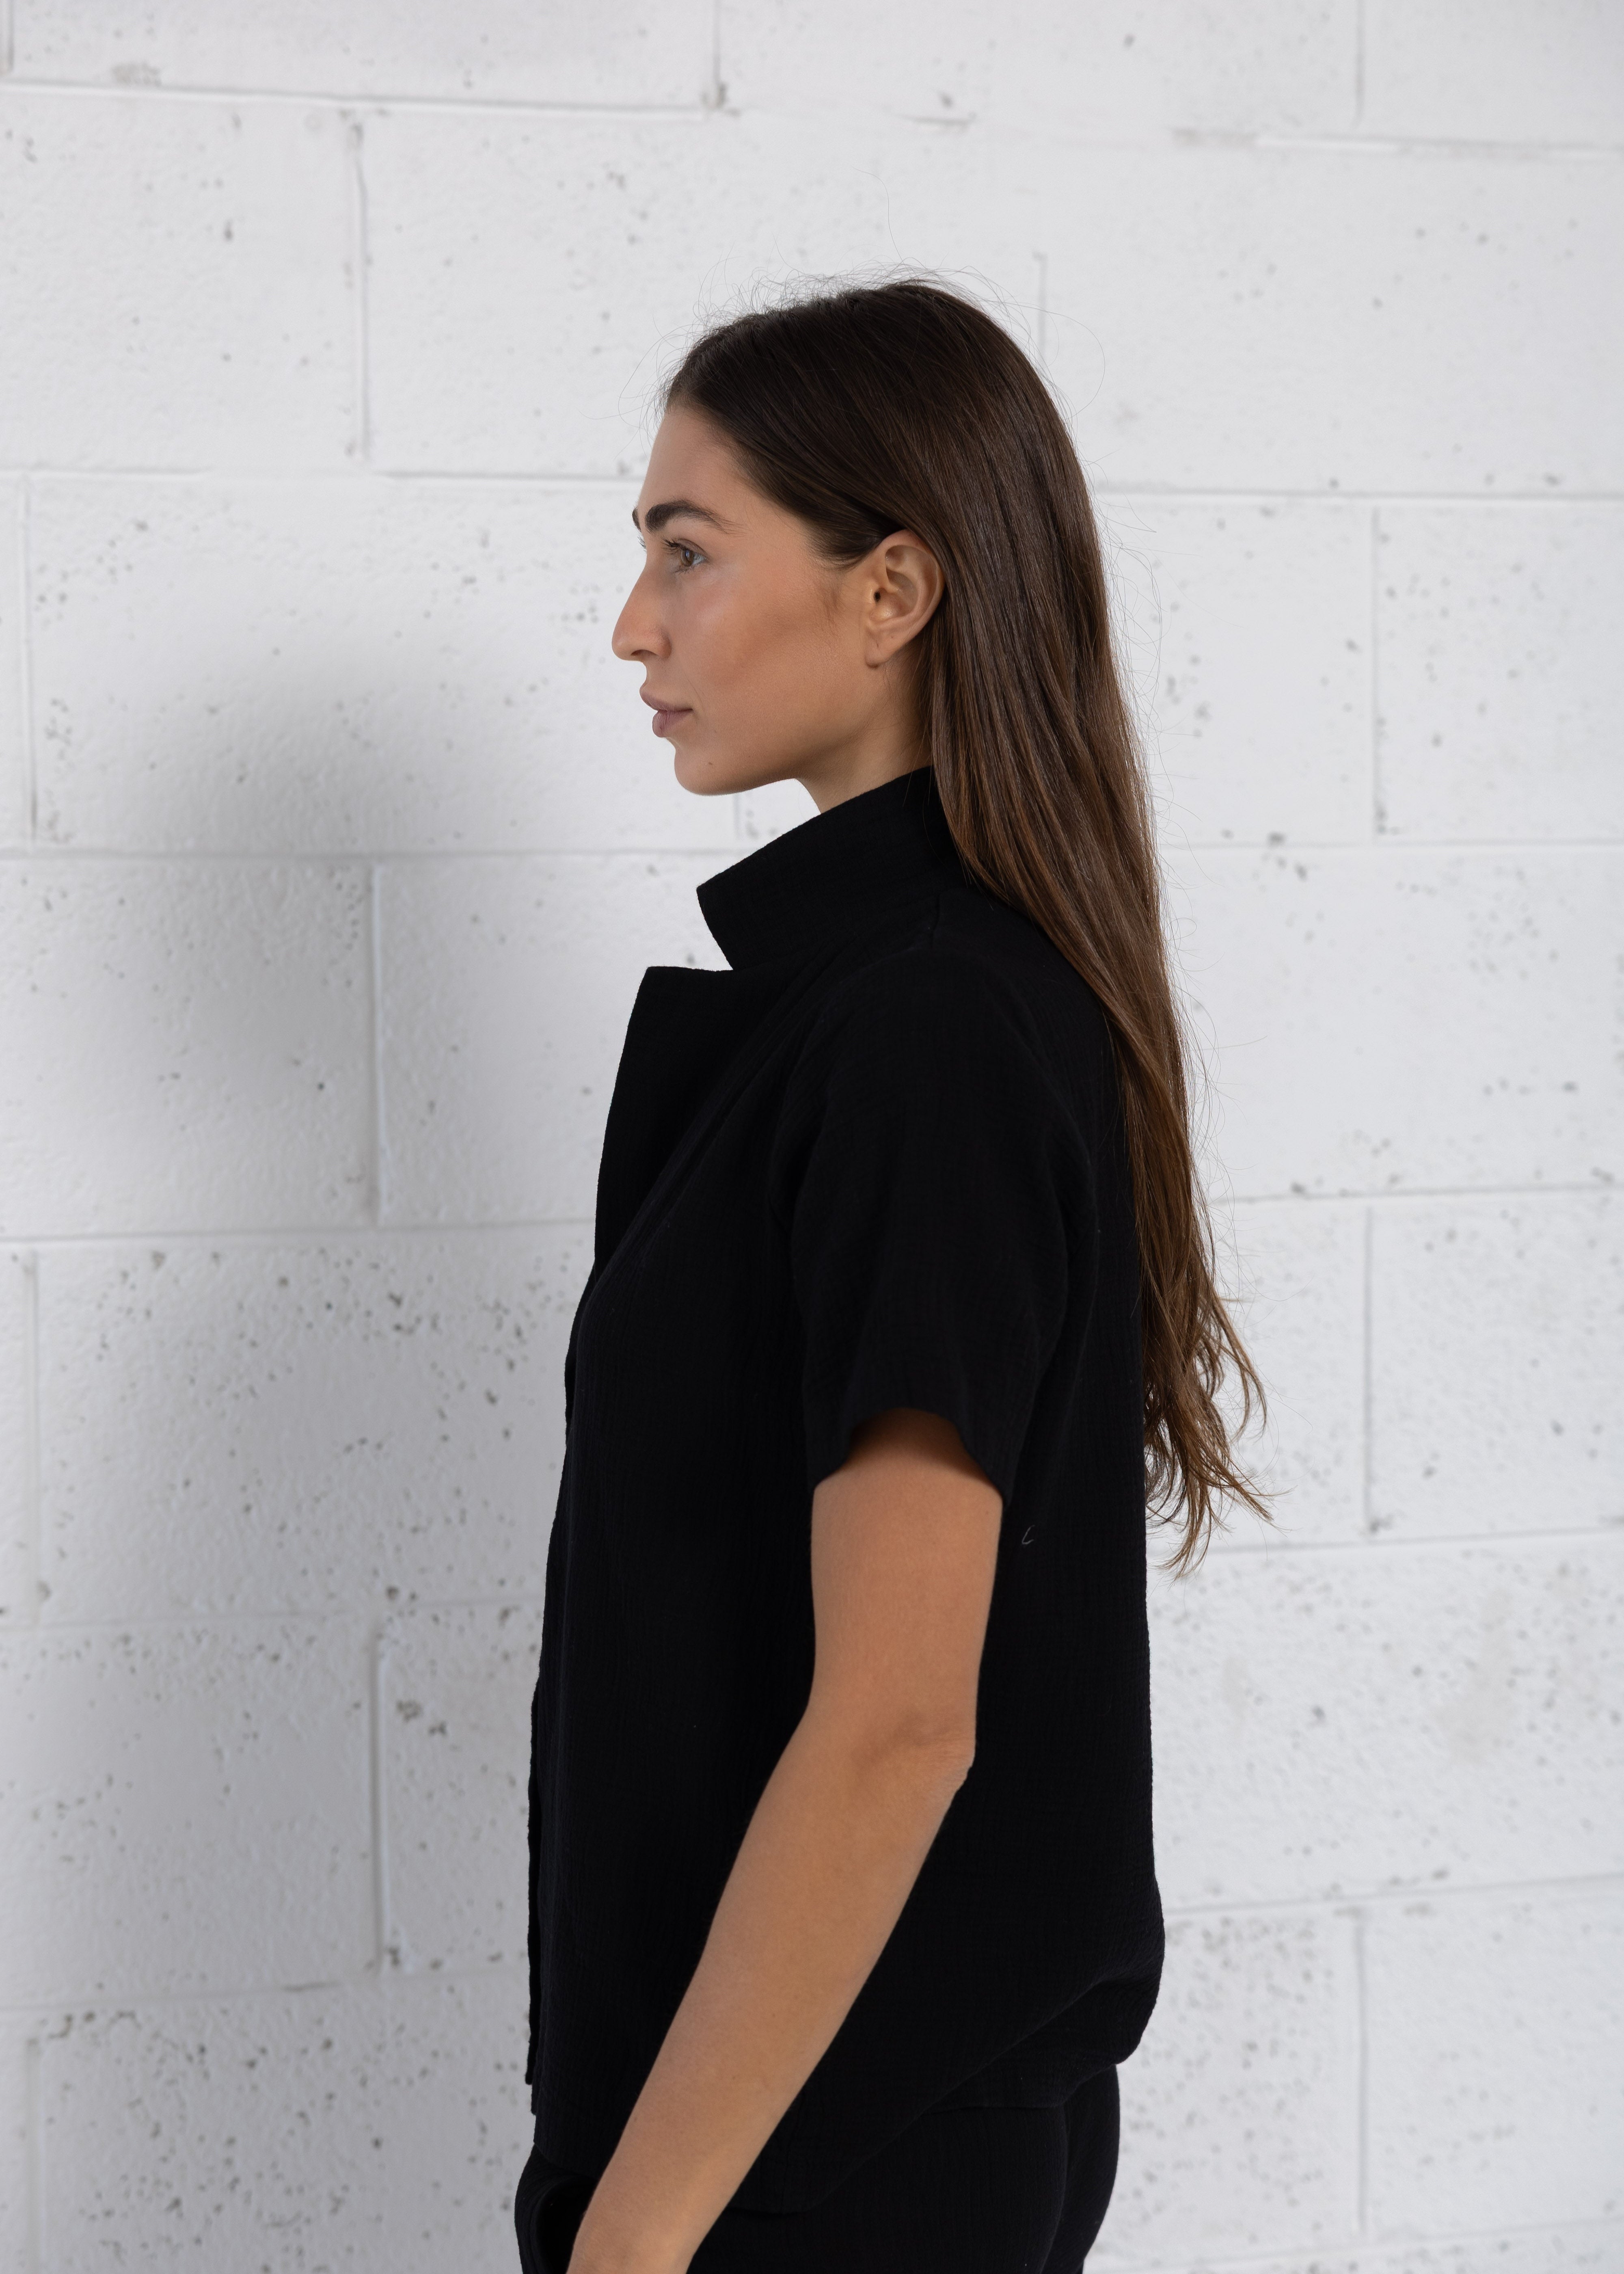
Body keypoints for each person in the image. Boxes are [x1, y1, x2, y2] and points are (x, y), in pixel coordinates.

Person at [513, 277, 1266, 2274]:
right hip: (811, 2143)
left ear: (892, 590)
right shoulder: (895, 1007)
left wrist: (632, 2236)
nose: (634, 624)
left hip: (819, 2176)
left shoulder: (922, 1035)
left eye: (687, 549)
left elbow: (897, 1725)